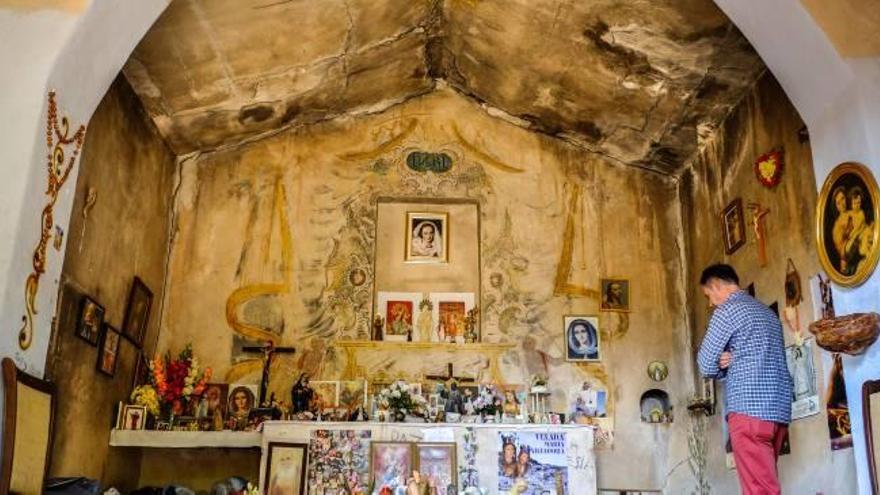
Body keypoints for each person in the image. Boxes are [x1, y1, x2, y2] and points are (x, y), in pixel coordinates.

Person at [697, 264, 792, 495]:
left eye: (709, 296)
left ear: (717, 285)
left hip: (749, 411)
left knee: (759, 490)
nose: (711, 304)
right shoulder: (768, 314)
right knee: (766, 483)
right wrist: (732, 359)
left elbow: (705, 364)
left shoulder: (727, 311)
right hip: (778, 413)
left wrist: (722, 365)